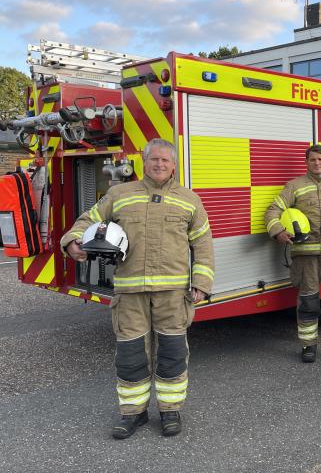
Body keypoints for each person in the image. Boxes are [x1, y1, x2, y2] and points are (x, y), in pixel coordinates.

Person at [61, 138, 214, 439]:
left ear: (173, 165)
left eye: (165, 160)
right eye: (154, 159)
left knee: (172, 354)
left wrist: (202, 282)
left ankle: (170, 411)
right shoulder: (120, 194)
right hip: (129, 293)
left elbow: (203, 244)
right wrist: (73, 241)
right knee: (130, 355)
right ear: (144, 162)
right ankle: (134, 413)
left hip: (173, 294)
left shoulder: (189, 199)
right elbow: (87, 221)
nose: (159, 164)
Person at [264, 144, 321, 363]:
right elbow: (272, 211)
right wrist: (278, 231)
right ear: (307, 162)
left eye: (320, 159)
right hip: (306, 257)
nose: (317, 163)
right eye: (313, 159)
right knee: (308, 302)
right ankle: (308, 346)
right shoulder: (294, 187)